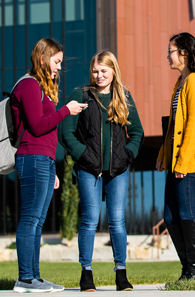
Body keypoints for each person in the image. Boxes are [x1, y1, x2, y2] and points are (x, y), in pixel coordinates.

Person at [59, 51, 144, 292]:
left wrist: (127, 155)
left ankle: (121, 274)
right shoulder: (82, 95)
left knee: (117, 221)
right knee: (89, 220)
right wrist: (82, 155)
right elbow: (66, 132)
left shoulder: (123, 97)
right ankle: (86, 273)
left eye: (104, 71)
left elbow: (137, 133)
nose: (99, 75)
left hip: (117, 170)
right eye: (95, 71)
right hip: (88, 169)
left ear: (113, 71)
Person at [11, 38, 87, 293]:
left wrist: (52, 168)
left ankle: (34, 277)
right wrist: (66, 110)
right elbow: (38, 126)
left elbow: (47, 133)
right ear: (43, 58)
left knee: (38, 220)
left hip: (42, 159)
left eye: (61, 63)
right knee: (30, 219)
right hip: (31, 158)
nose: (59, 68)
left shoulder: (42, 87)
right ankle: (25, 278)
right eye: (56, 62)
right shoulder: (29, 86)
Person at [155, 32, 195, 281]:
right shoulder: (181, 83)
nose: (168, 55)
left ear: (184, 53)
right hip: (176, 162)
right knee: (170, 216)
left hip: (189, 162)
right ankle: (187, 268)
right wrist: (162, 155)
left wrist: (184, 162)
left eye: (171, 51)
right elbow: (173, 127)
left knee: (188, 215)